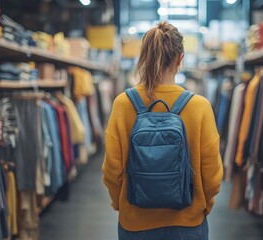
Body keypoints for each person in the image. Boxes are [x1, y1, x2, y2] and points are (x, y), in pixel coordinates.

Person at [102, 21, 223, 240]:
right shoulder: (199, 106)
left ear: (144, 56)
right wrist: (203, 207)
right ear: (180, 58)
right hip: (187, 222)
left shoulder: (123, 104)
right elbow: (212, 175)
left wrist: (121, 204)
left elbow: (112, 170)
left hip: (135, 224)